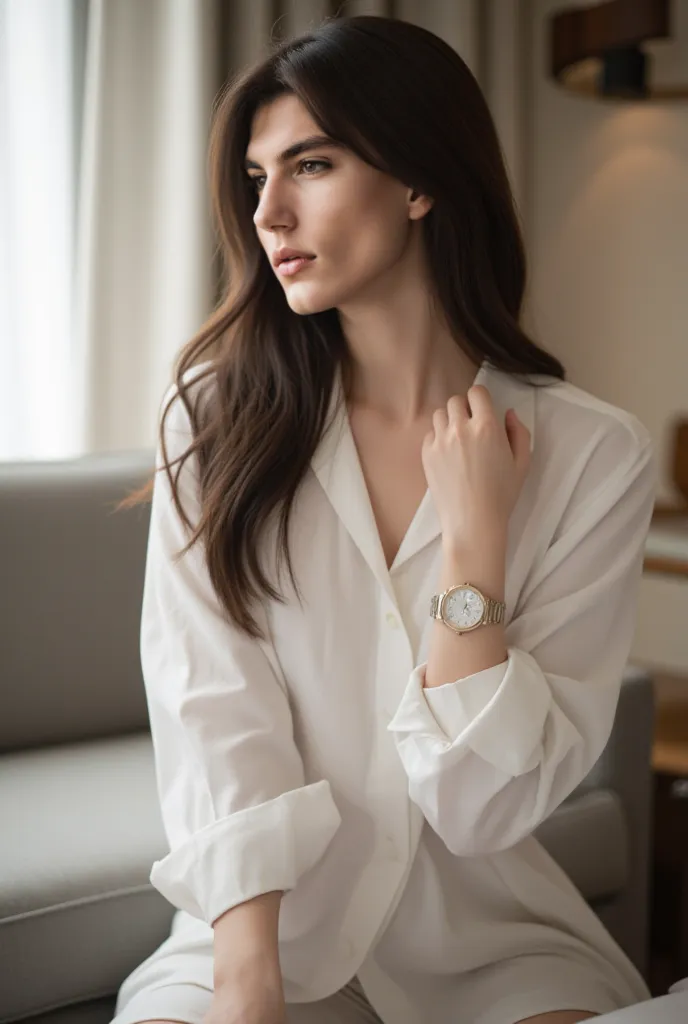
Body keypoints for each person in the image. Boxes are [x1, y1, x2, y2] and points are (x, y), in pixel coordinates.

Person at [111, 14, 657, 1024]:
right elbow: (212, 714)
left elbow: (481, 806)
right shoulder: (215, 417)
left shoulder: (594, 454)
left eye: (308, 165)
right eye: (255, 177)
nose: (268, 211)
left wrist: (474, 543)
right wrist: (247, 983)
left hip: (495, 945)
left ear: (417, 181)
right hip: (261, 937)